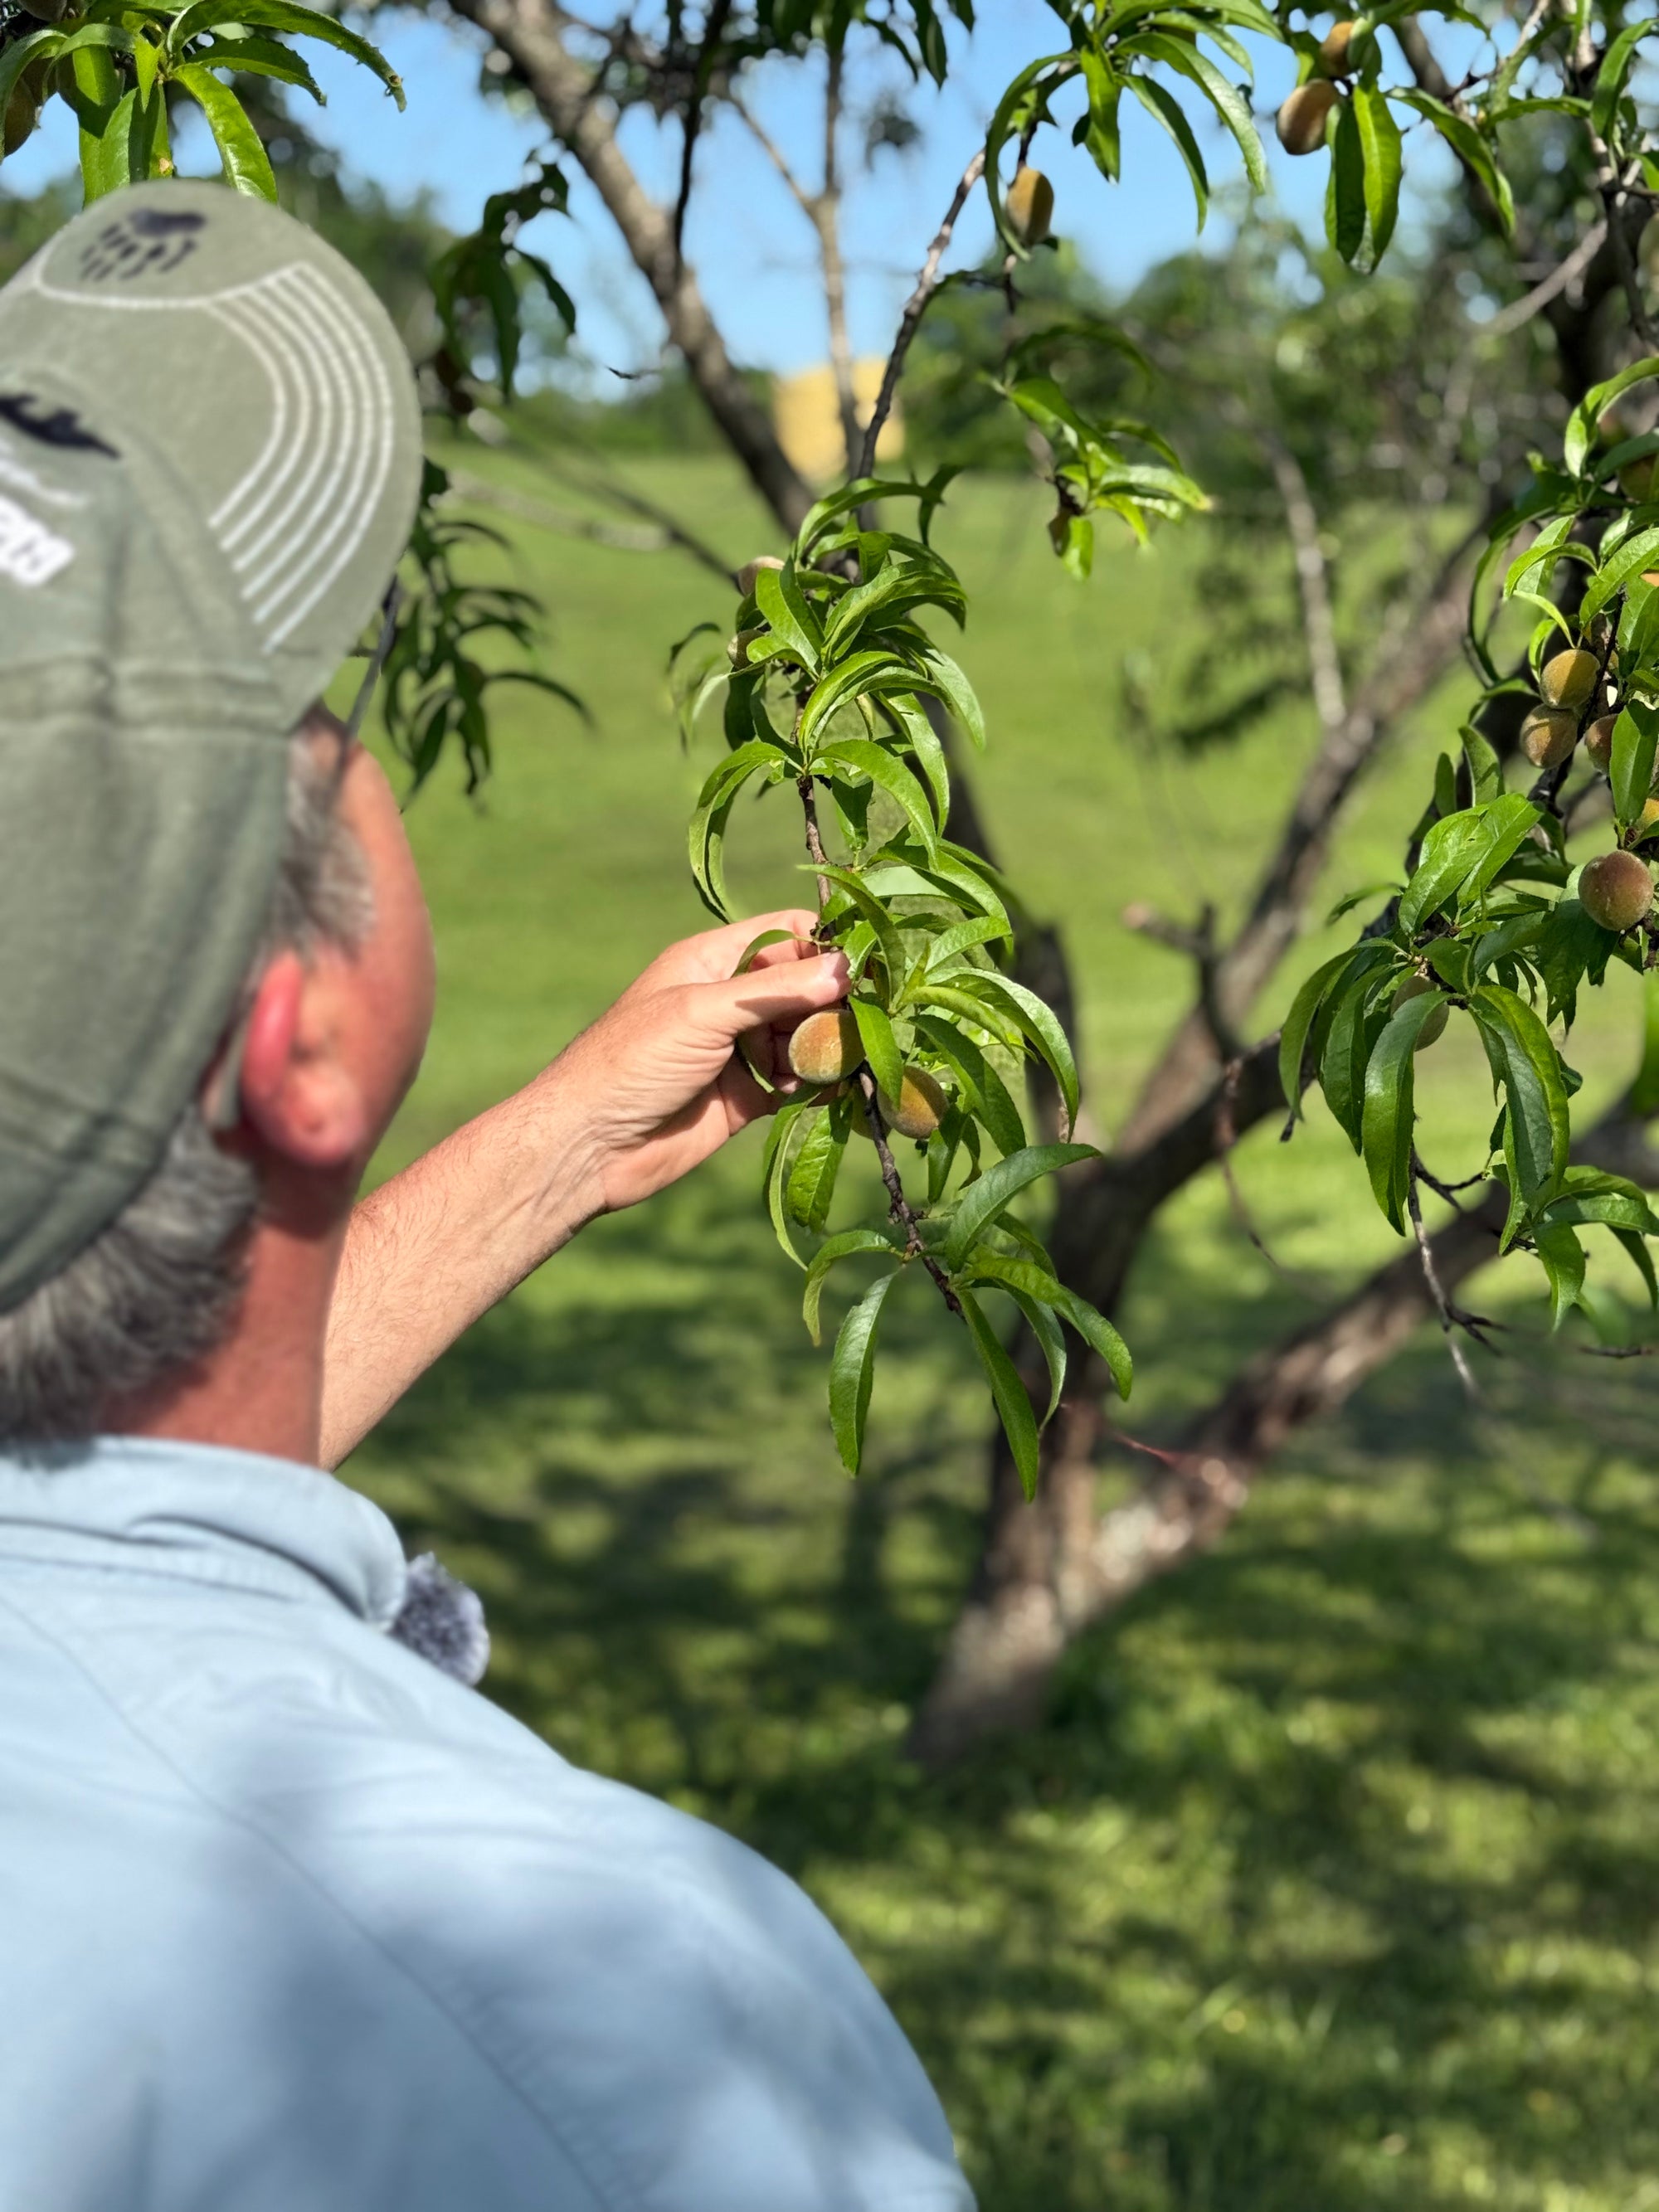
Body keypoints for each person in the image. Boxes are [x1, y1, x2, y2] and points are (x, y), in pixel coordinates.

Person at [0, 180, 975, 2211]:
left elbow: (108, 1532)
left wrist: (555, 1149)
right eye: (303, 717)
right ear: (302, 1037)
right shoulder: (605, 2036)